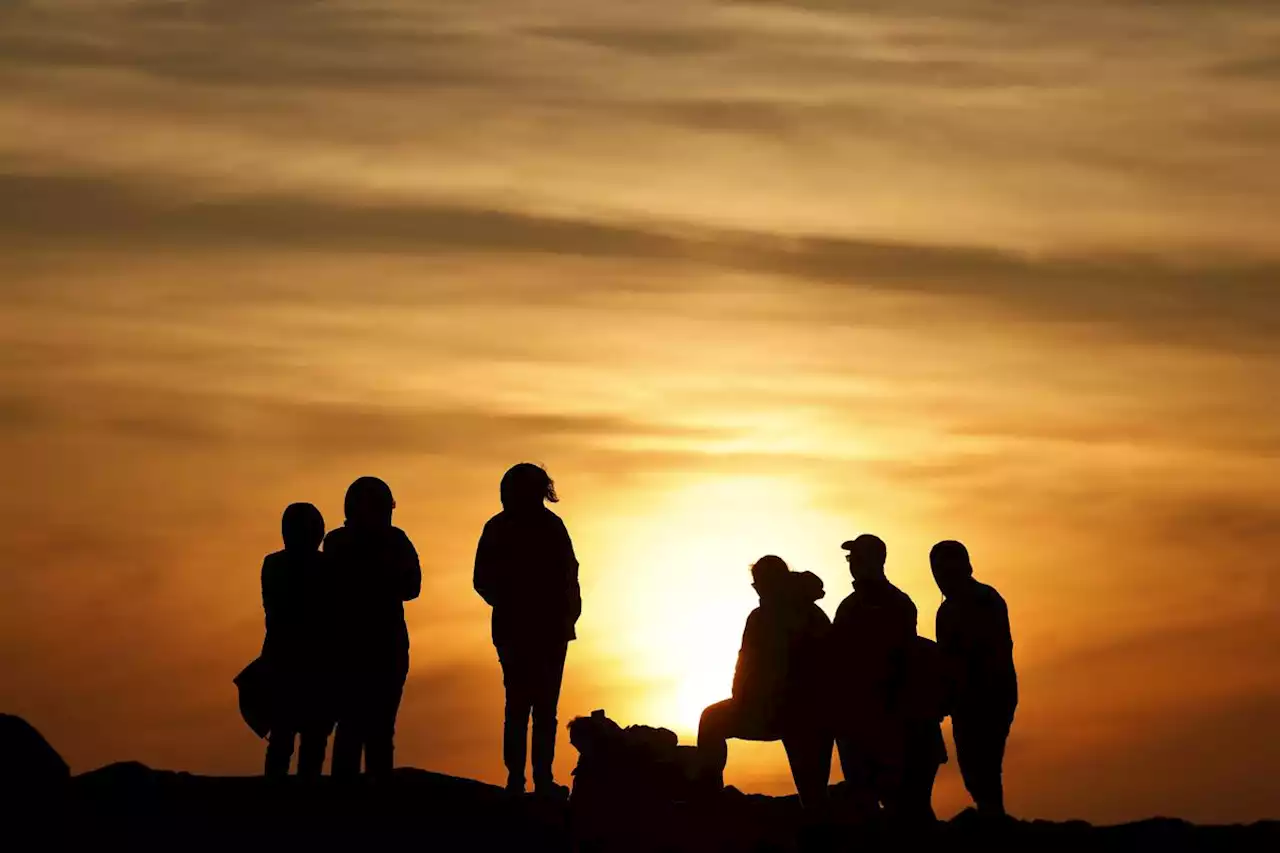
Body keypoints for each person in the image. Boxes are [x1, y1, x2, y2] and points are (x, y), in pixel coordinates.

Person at [474, 463, 581, 796]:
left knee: (535, 707)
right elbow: (483, 580)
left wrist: (567, 616)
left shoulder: (548, 528)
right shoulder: (503, 528)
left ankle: (537, 779)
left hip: (545, 629)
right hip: (522, 629)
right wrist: (513, 603)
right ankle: (520, 780)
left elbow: (569, 576)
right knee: (525, 706)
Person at [697, 556, 833, 809]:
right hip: (781, 712)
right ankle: (710, 800)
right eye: (755, 584)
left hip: (799, 715)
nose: (757, 589)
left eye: (759, 583)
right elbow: (745, 662)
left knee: (812, 793)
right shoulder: (793, 615)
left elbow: (825, 665)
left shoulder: (793, 617)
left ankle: (709, 804)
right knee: (712, 719)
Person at [325, 477, 421, 777]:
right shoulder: (342, 543)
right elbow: (411, 587)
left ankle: (370, 804)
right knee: (362, 728)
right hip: (360, 648)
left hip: (376, 647)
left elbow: (412, 587)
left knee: (365, 728)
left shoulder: (340, 542)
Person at [830, 534, 918, 816]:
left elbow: (902, 660)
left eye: (856, 558)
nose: (851, 564)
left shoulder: (895, 604)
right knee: (862, 799)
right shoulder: (849, 606)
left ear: (874, 561)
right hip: (853, 717)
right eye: (850, 559)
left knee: (896, 802)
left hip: (888, 717)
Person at [930, 540, 1017, 817]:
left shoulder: (984, 600)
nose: (942, 576)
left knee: (984, 765)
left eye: (947, 568)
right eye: (938, 570)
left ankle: (994, 821)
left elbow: (991, 653)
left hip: (989, 696)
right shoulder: (947, 610)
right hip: (964, 701)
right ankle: (992, 817)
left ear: (965, 567)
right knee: (973, 768)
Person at [260, 502, 334, 777]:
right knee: (307, 741)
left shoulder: (274, 564)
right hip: (312, 664)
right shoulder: (325, 567)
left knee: (284, 739)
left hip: (286, 660)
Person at [898, 635, 949, 823]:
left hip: (909, 737)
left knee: (910, 802)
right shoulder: (930, 649)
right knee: (919, 800)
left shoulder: (890, 651)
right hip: (926, 735)